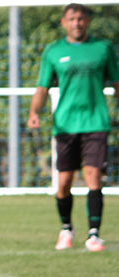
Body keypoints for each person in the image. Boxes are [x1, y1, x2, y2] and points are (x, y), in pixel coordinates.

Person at [27, 3, 118, 252]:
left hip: (96, 121)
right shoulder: (53, 51)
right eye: (72, 19)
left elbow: (117, 81)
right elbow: (43, 87)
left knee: (93, 177)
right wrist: (35, 112)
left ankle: (94, 234)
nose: (77, 23)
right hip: (65, 124)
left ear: (88, 21)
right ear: (64, 22)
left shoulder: (103, 48)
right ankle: (66, 228)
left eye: (81, 18)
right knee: (64, 183)